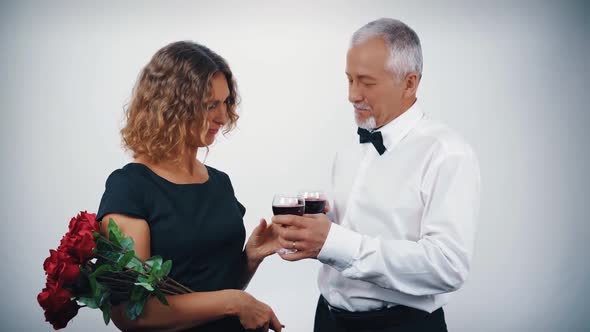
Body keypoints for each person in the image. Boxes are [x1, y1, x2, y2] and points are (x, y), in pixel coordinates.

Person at [273, 18, 480, 331]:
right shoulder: (347, 152)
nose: (352, 95)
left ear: (409, 83)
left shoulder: (447, 153)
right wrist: (314, 232)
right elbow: (347, 236)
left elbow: (448, 266)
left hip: (400, 325)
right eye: (349, 80)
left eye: (366, 82)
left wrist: (334, 241)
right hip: (327, 319)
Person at [96, 41, 282, 332]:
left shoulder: (220, 183)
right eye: (211, 106)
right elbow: (133, 313)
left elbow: (216, 288)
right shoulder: (129, 188)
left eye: (225, 103)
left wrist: (251, 257)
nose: (222, 117)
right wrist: (235, 302)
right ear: (171, 105)